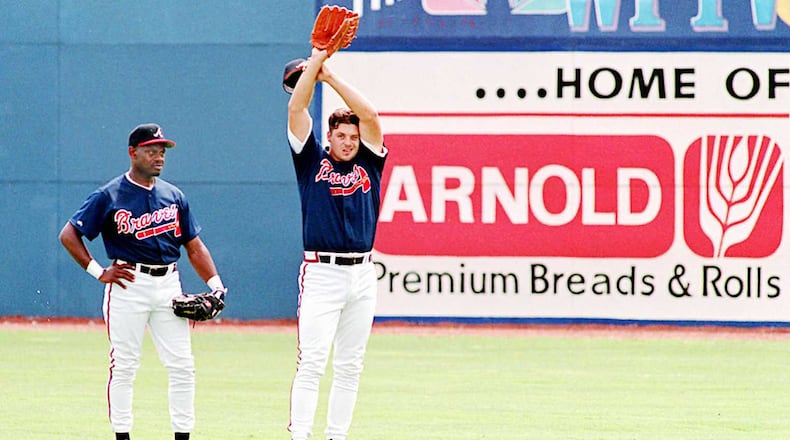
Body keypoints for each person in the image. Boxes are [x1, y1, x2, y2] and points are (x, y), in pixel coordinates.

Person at [58, 123, 227, 440]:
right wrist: (99, 272)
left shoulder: (173, 196)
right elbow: (69, 235)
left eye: (162, 151)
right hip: (127, 284)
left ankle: (182, 435)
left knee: (182, 366)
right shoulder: (109, 195)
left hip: (168, 286)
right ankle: (122, 435)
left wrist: (216, 284)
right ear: (132, 152)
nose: (158, 156)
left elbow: (194, 245)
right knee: (124, 365)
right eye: (151, 150)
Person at [286, 47, 387, 440]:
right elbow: (297, 111)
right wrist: (316, 62)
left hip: (362, 274)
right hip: (321, 273)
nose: (348, 142)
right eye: (341, 136)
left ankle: (336, 435)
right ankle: (300, 436)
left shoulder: (369, 163)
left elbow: (372, 116)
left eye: (352, 136)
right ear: (328, 137)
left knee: (350, 364)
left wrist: (330, 77)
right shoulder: (311, 161)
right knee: (311, 361)